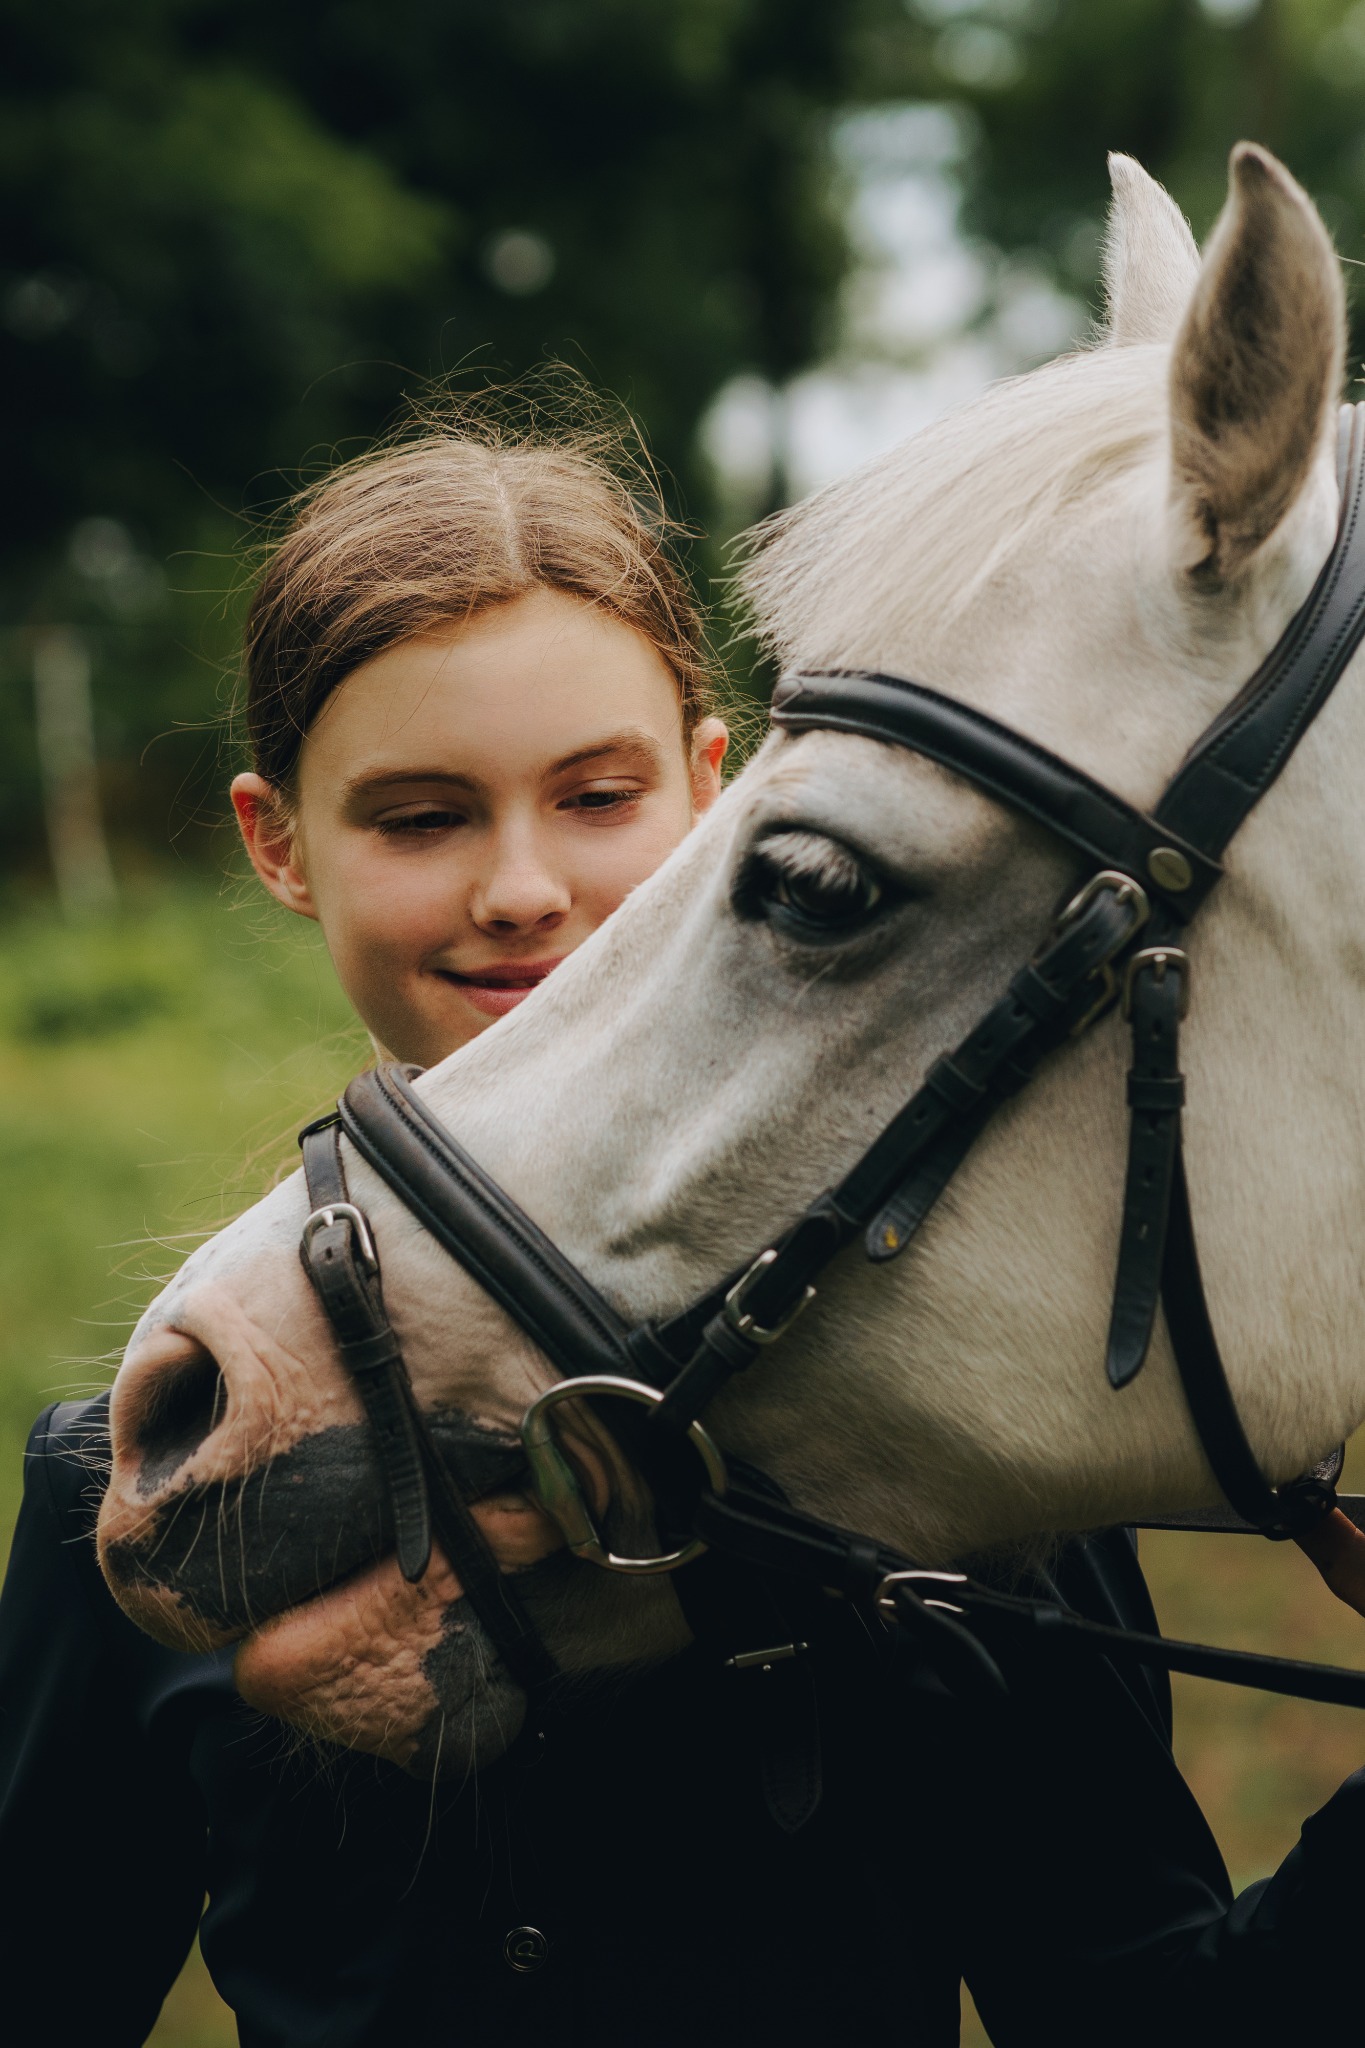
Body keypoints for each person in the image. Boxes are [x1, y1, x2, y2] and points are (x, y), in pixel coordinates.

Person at [2, 411, 1365, 2048]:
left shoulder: (957, 1460)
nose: (521, 887)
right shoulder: (144, 1470)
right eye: (420, 818)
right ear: (278, 843)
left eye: (597, 795)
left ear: (717, 791)